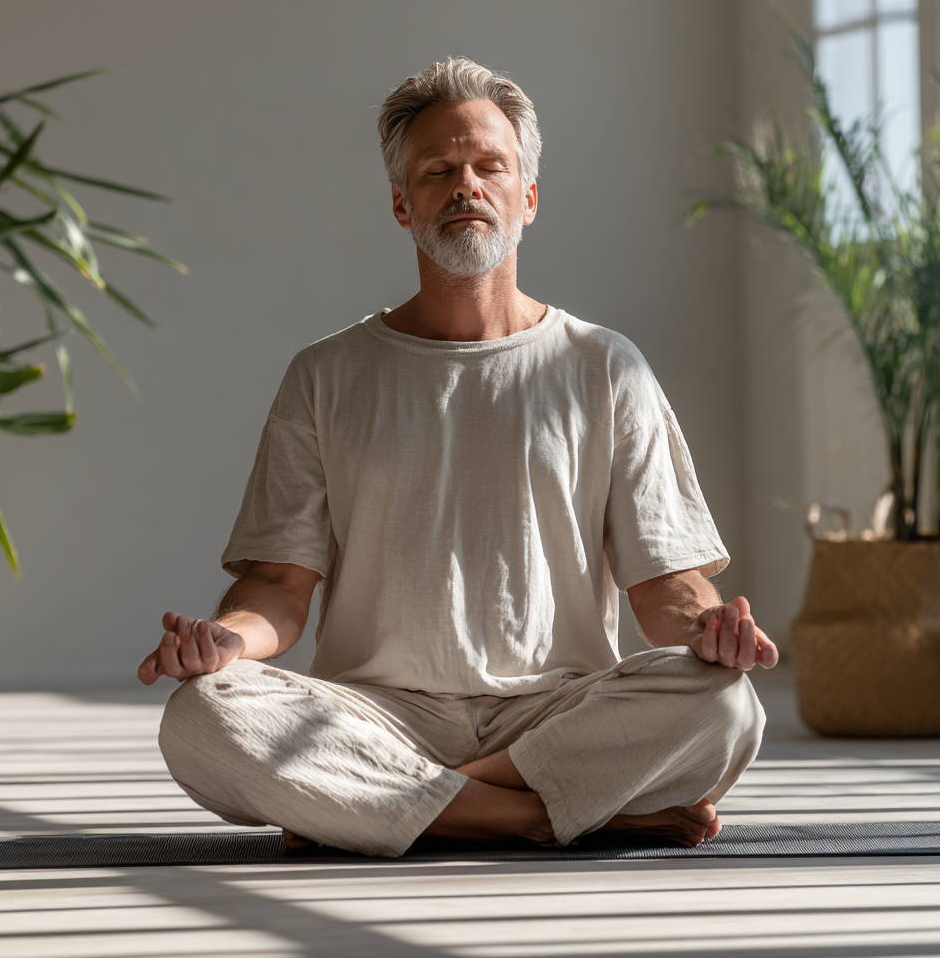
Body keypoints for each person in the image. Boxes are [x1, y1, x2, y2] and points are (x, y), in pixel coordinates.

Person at [138, 59, 778, 858]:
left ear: (529, 198)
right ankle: (539, 814)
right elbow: (277, 585)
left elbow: (664, 587)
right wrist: (227, 641)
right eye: (438, 170)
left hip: (554, 712)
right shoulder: (326, 374)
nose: (465, 185)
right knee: (204, 714)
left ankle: (383, 803)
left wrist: (712, 629)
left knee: (723, 705)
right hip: (375, 715)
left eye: (490, 166)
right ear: (403, 205)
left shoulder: (606, 367)